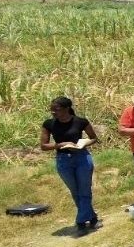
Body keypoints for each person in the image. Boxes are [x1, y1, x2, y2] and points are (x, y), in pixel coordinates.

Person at [41, 96, 100, 235]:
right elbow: (43, 145)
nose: (53, 112)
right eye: (52, 109)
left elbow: (93, 138)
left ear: (67, 108)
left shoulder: (80, 121)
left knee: (84, 190)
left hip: (81, 157)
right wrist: (58, 145)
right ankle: (91, 217)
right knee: (75, 191)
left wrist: (83, 143)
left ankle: (80, 222)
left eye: (57, 109)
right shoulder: (49, 124)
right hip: (63, 160)